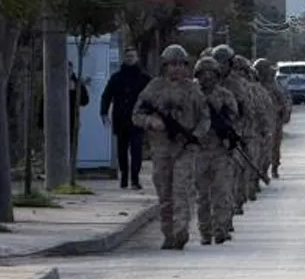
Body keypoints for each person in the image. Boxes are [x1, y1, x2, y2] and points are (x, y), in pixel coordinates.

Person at [131, 44, 210, 250]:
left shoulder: (193, 90)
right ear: (164, 66)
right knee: (165, 194)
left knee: (182, 190)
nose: (176, 69)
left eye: (180, 64)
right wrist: (151, 121)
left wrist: (195, 136)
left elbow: (205, 118)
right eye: (172, 64)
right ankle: (168, 234)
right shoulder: (154, 88)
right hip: (161, 149)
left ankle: (181, 231)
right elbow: (136, 115)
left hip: (185, 149)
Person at [193, 56, 238, 245]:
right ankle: (205, 232)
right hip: (199, 150)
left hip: (220, 150)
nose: (207, 77)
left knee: (221, 191)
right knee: (202, 195)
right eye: (204, 74)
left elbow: (234, 117)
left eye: (211, 73)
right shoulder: (193, 96)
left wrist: (228, 133)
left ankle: (221, 229)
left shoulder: (225, 96)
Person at [211, 45, 257, 222]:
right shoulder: (205, 83)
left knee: (229, 177)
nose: (221, 66)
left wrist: (241, 134)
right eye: (218, 62)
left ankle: (227, 215)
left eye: (224, 63)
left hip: (232, 136)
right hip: (208, 139)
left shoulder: (237, 85)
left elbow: (247, 110)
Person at [100, 48, 152, 189]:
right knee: (122, 150)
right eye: (128, 56)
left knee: (136, 150)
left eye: (132, 56)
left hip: (138, 119)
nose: (130, 59)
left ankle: (135, 179)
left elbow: (152, 97)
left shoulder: (144, 78)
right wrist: (103, 112)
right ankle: (124, 176)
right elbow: (107, 95)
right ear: (124, 58)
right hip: (121, 118)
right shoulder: (117, 77)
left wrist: (151, 115)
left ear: (137, 58)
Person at [233, 54, 273, 201]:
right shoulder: (223, 86)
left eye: (240, 70)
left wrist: (264, 128)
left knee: (249, 164)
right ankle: (237, 196)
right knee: (234, 167)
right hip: (232, 135)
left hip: (250, 133)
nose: (237, 73)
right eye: (235, 70)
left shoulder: (252, 89)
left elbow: (260, 109)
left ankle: (245, 191)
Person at [254, 58, 292, 178]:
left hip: (274, 120)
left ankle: (274, 168)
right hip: (259, 121)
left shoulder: (274, 85)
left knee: (274, 146)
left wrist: (284, 114)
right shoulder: (254, 86)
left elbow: (284, 101)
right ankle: (262, 169)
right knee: (262, 147)